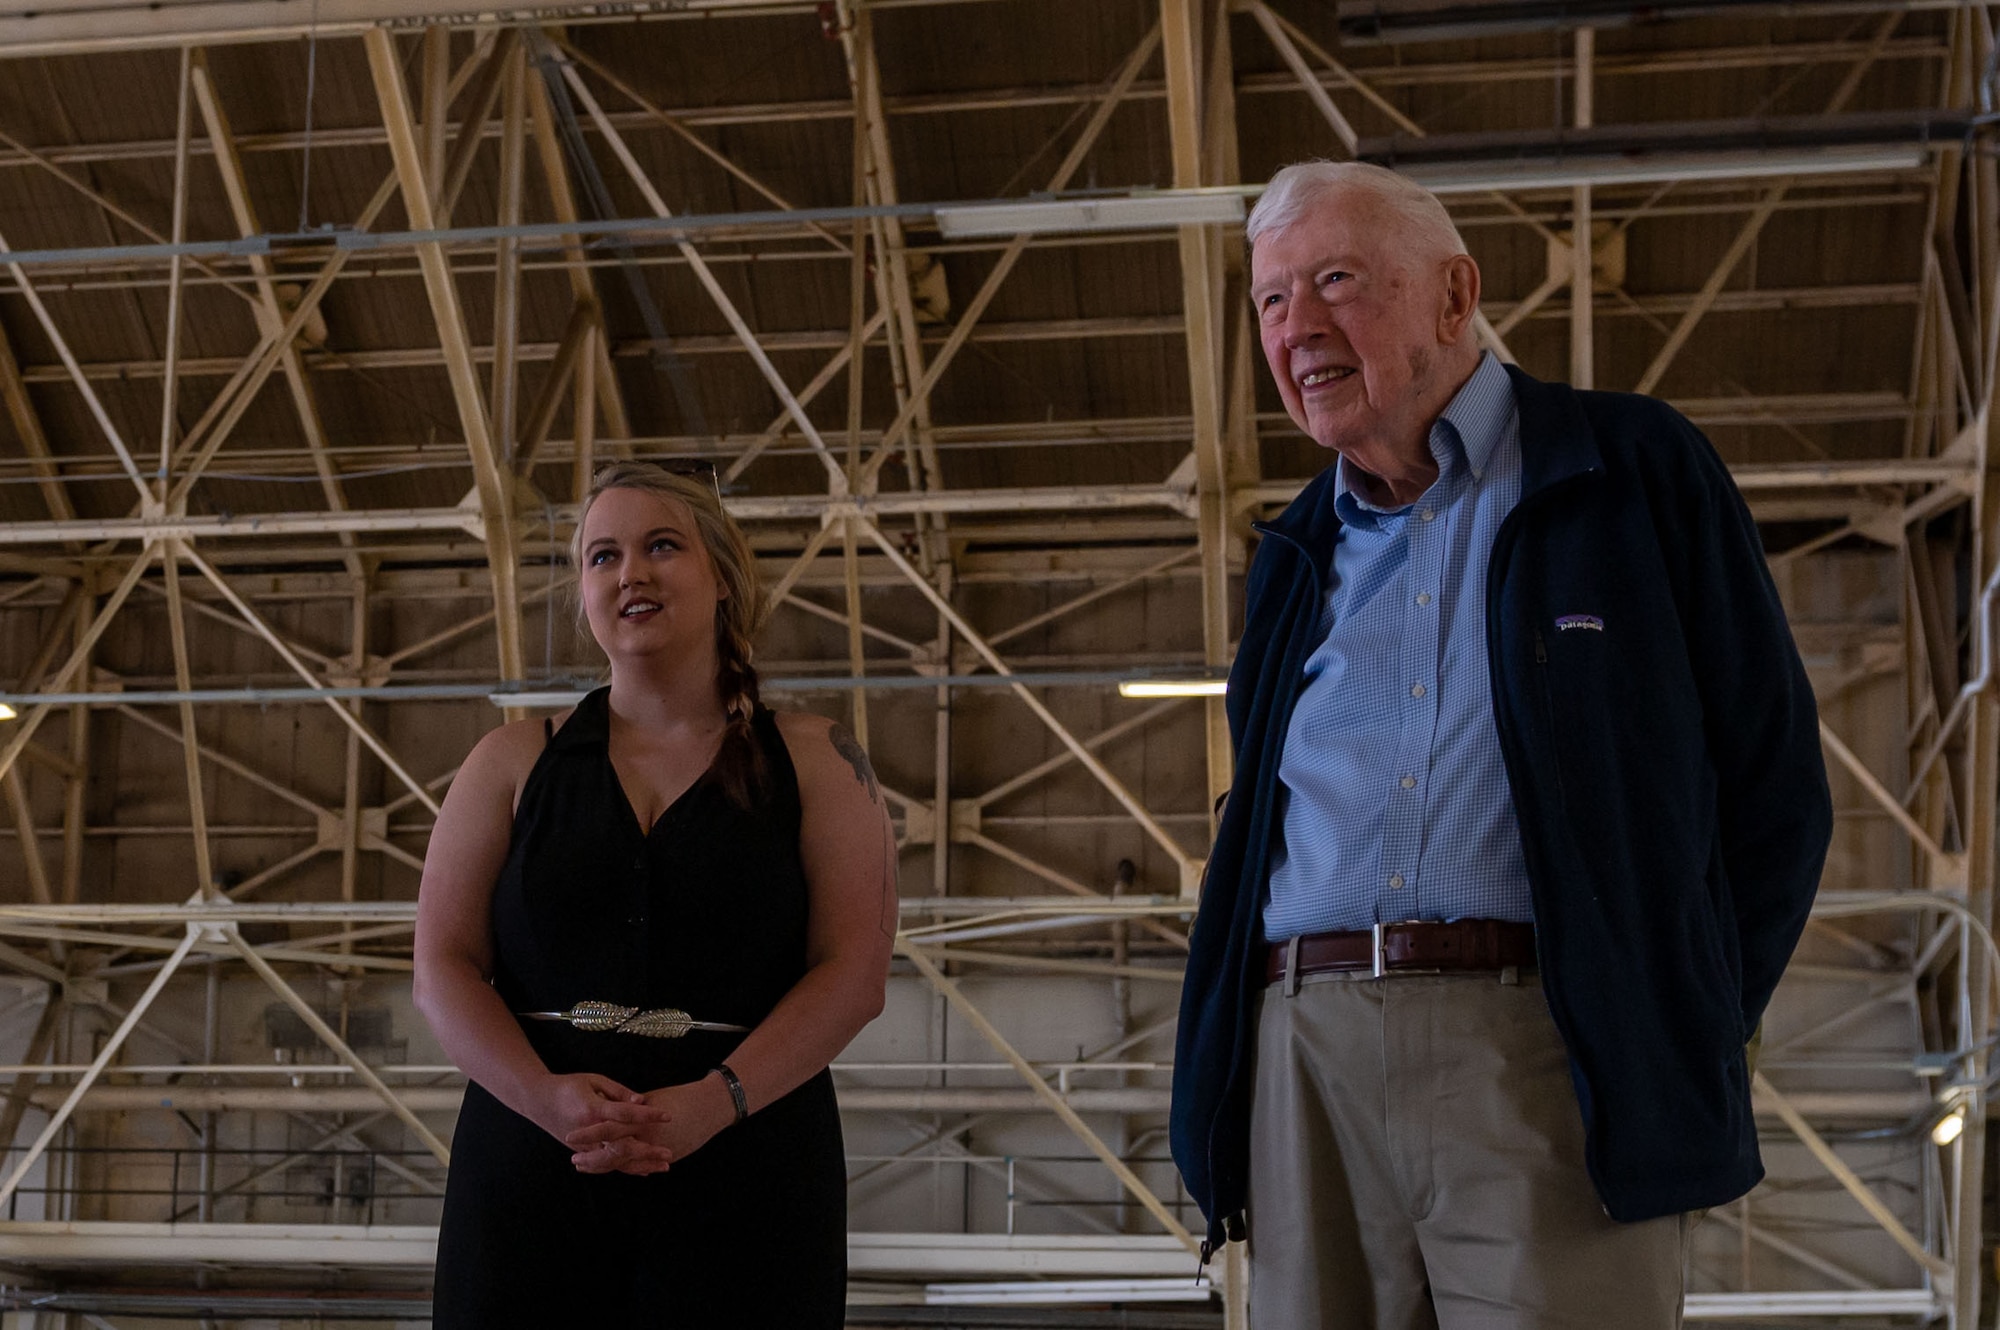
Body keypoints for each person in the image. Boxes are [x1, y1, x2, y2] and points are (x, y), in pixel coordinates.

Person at [1169, 162, 1832, 1329]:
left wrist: (1670, 1010)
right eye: (1271, 301)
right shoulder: (1289, 554)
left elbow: (1771, 781)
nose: (1296, 328)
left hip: (1543, 1041)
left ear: (1451, 294)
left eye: (1334, 281)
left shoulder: (1628, 468)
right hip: (1301, 1050)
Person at [417, 461, 896, 1327]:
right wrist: (544, 1100)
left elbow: (853, 972)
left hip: (749, 1163)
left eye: (660, 546)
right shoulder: (508, 762)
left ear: (720, 575)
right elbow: (441, 968)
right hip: (534, 1166)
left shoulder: (820, 761)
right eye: (602, 557)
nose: (629, 572)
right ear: (586, 595)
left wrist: (716, 1102)